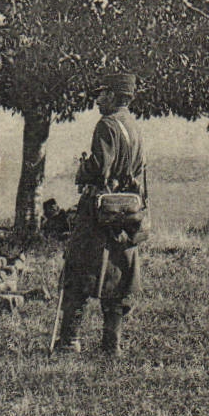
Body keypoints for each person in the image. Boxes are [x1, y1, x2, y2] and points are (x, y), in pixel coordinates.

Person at [54, 72, 147, 356]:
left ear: (116, 96)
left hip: (99, 210)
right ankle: (112, 344)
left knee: (79, 269)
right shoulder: (133, 125)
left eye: (102, 94)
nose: (97, 100)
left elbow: (99, 169)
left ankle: (69, 341)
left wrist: (83, 168)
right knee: (119, 273)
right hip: (128, 212)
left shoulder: (106, 125)